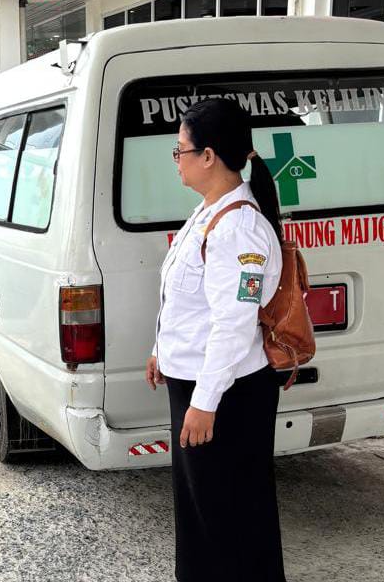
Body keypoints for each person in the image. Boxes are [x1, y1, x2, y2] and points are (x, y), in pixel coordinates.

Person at [145, 98, 286, 582]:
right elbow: (186, 301)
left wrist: (204, 403)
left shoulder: (239, 229)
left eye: (180, 149)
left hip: (228, 395)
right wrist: (162, 351)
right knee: (202, 511)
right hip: (200, 383)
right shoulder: (209, 213)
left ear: (208, 156)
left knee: (228, 517)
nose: (176, 159)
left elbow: (234, 325)